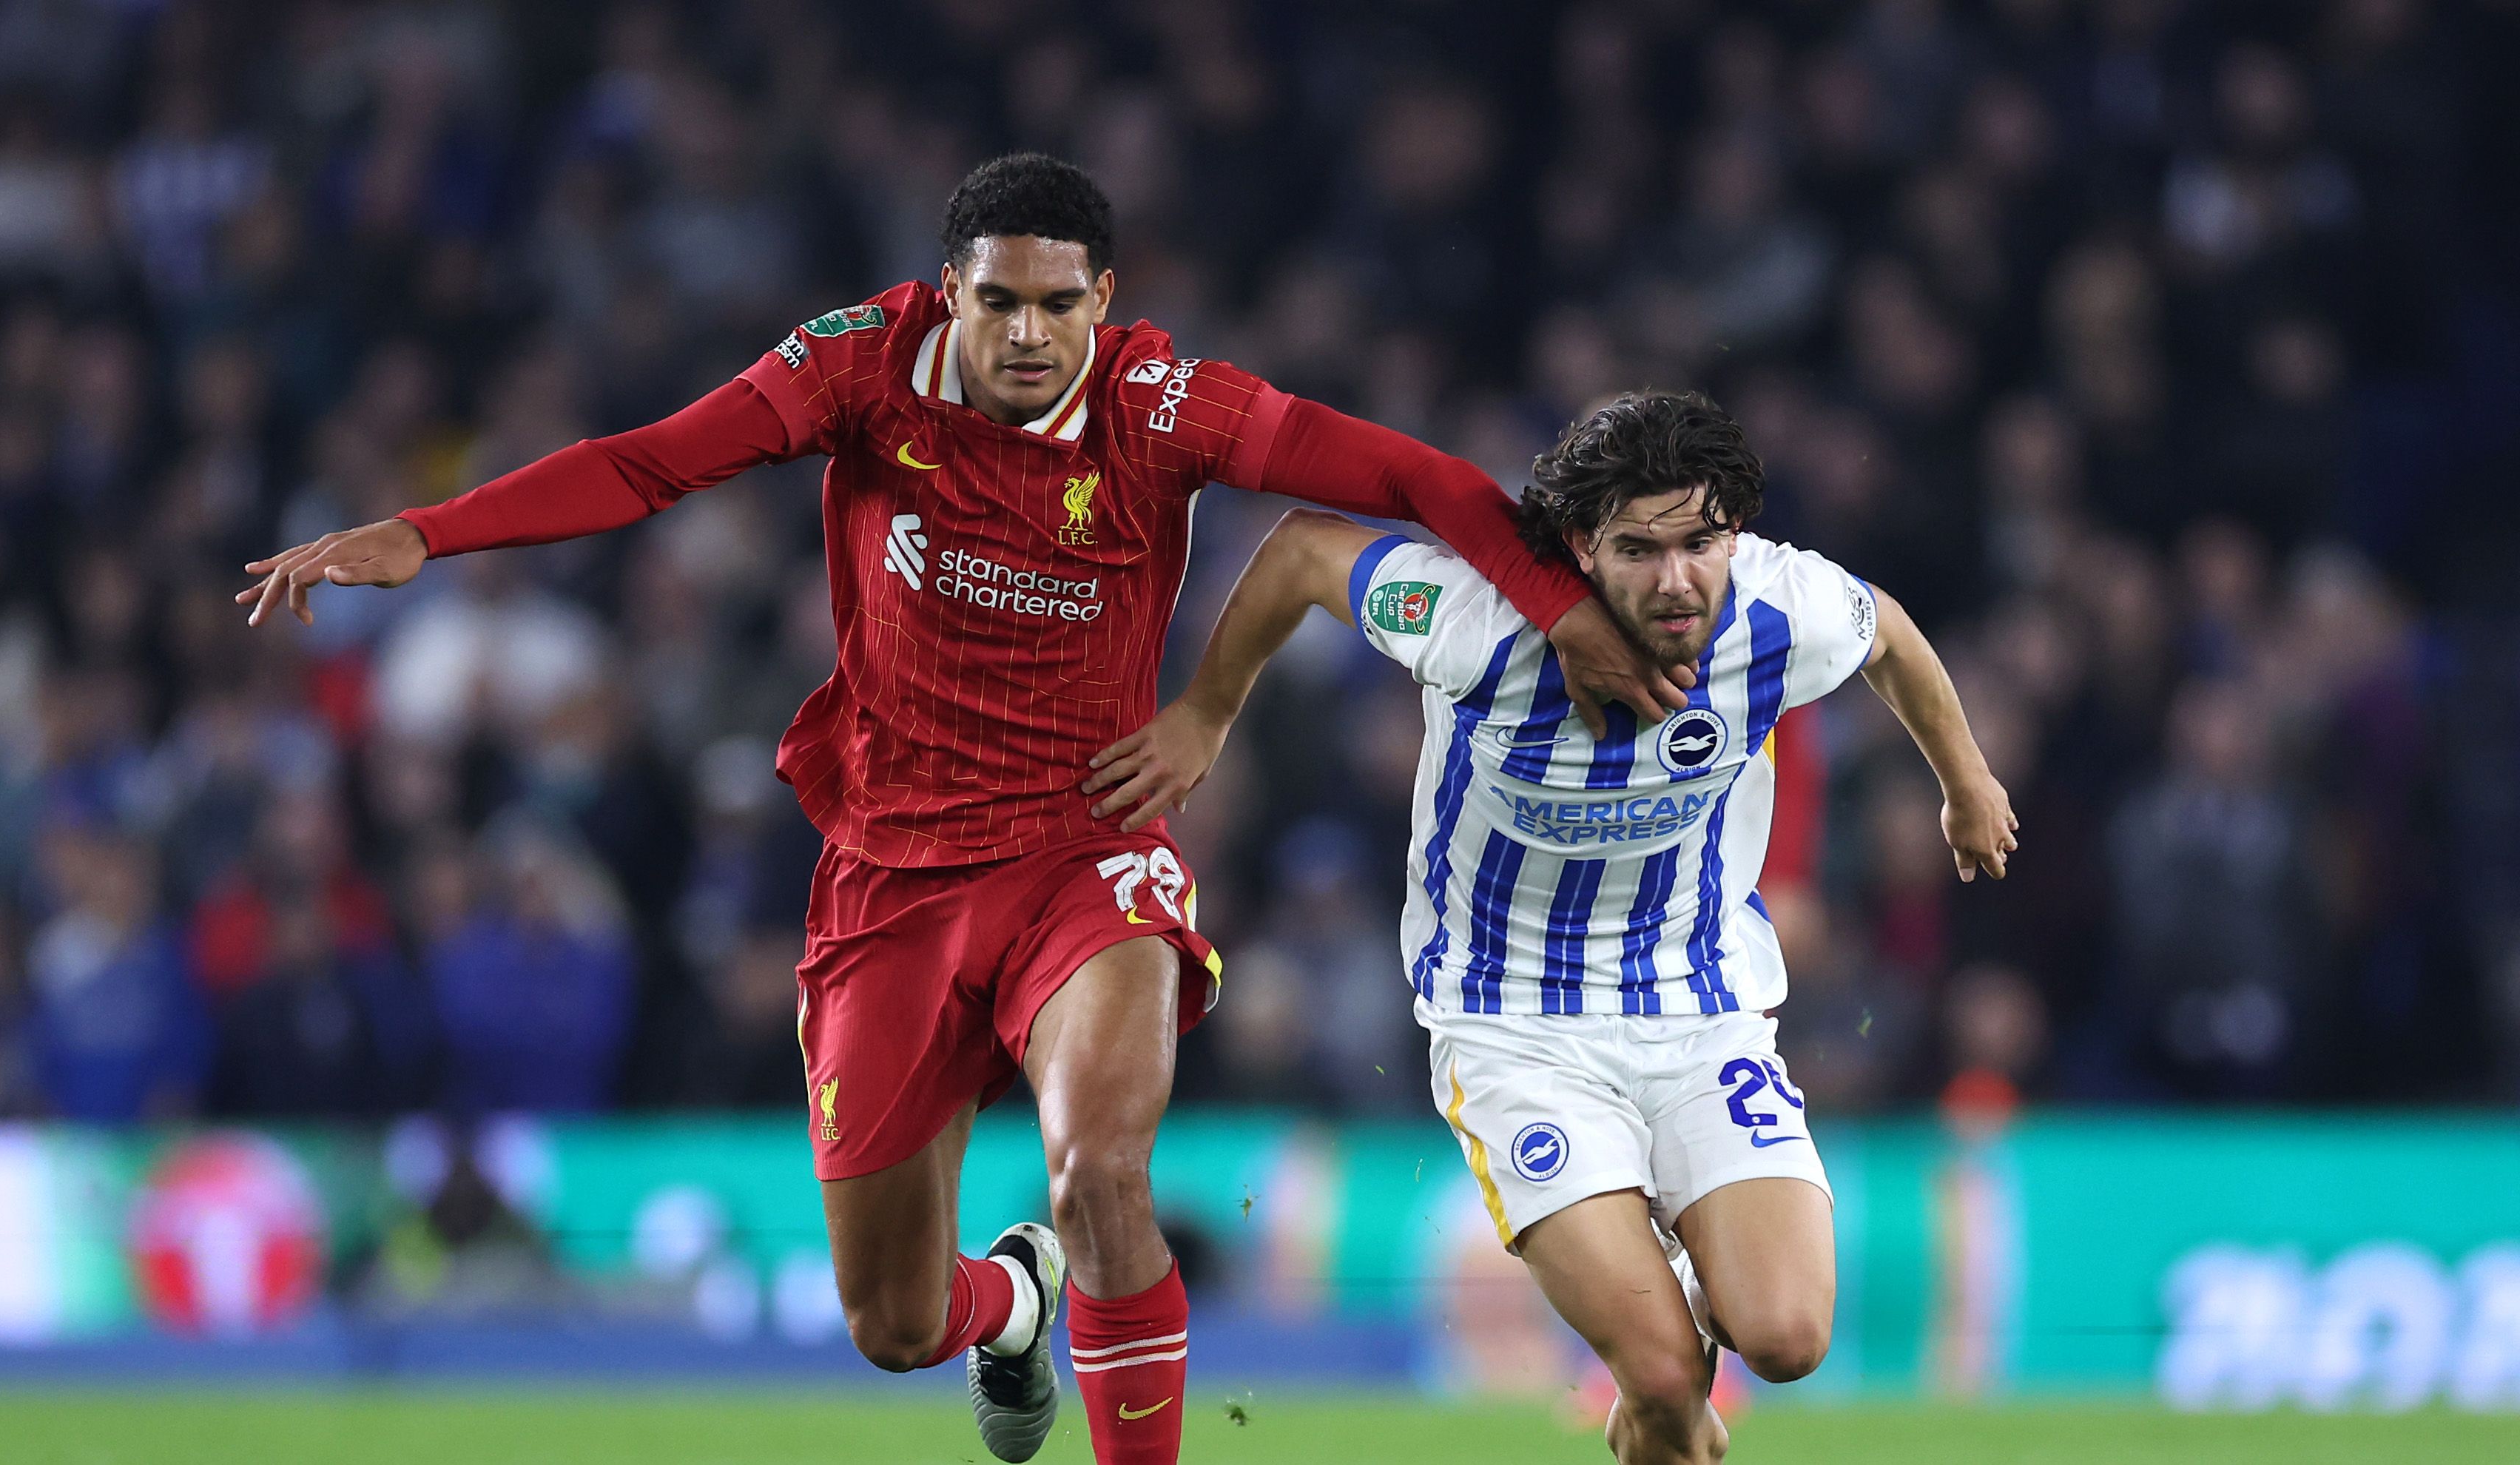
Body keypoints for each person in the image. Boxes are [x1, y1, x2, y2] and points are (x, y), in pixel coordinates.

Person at [234, 154, 1688, 1465]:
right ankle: (1012, 1306)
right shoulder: (856, 370)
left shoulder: (1158, 405)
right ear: (950, 294)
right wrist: (425, 532)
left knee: (1098, 1166)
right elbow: (649, 463)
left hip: (1086, 851)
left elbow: (1402, 473)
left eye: (1058, 304)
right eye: (998, 301)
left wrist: (1557, 607)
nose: (1027, 333)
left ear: (1101, 301)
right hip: (890, 878)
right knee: (890, 1319)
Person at [1087, 390, 2017, 1464]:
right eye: (1638, 549)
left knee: (1788, 1336)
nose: (1677, 580)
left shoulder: (1777, 608)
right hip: (1513, 1029)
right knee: (1668, 1375)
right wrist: (1206, 711)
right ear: (1578, 547)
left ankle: (1658, 1361)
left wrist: (1965, 782)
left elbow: (1888, 635)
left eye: (1701, 542)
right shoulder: (1474, 620)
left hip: (1700, 1009)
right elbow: (1300, 552)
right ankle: (1656, 1369)